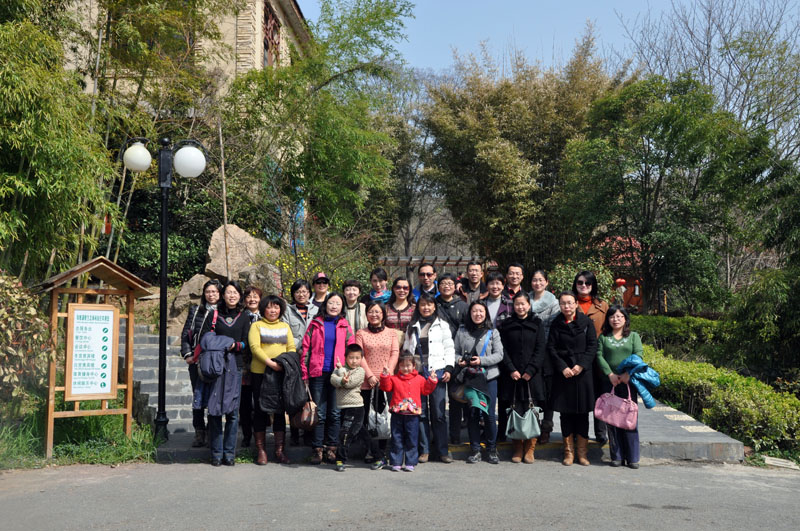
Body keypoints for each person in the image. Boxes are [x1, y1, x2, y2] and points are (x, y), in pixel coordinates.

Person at [198, 280, 250, 467]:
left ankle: (229, 453)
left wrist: (234, 345)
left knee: (232, 412)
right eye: (228, 292)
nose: (232, 295)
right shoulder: (214, 315)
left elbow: (246, 342)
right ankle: (216, 453)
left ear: (239, 296)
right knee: (214, 411)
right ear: (223, 295)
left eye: (235, 292)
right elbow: (205, 338)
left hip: (235, 367)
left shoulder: (244, 317)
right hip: (215, 367)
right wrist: (225, 343)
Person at [301, 292, 356, 464]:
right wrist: (304, 373)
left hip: (338, 375)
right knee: (319, 413)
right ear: (325, 305)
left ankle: (332, 448)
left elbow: (352, 350)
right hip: (317, 373)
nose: (334, 306)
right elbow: (306, 349)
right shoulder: (315, 324)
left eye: (338, 303)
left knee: (335, 413)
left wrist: (348, 371)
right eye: (331, 302)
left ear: (342, 307)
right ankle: (317, 449)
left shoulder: (345, 326)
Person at [403, 292, 456, 463]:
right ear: (418, 307)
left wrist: (449, 368)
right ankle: (424, 450)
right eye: (423, 305)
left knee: (439, 414)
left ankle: (442, 451)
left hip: (437, 372)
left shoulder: (442, 325)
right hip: (417, 374)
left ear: (434, 306)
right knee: (421, 413)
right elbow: (407, 349)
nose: (426, 307)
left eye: (429, 304)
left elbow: (449, 348)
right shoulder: (412, 326)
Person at [548, 291, 598, 466]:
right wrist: (562, 367)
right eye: (563, 303)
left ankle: (582, 453)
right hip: (564, 374)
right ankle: (568, 452)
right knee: (566, 414)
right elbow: (551, 348)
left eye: (570, 303)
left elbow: (592, 345)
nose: (566, 306)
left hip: (583, 373)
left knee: (583, 413)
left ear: (576, 304)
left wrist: (581, 365)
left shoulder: (586, 323)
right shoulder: (556, 323)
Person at [497, 292, 547, 463]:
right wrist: (511, 369)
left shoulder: (537, 323)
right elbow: (502, 349)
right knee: (515, 410)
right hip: (512, 376)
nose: (520, 307)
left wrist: (531, 370)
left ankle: (530, 448)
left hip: (532, 376)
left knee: (532, 410)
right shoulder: (506, 324)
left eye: (523, 304)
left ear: (529, 305)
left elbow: (541, 348)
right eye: (517, 304)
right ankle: (517, 447)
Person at [454, 300, 504, 464]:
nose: (478, 314)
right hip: (470, 378)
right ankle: (475, 449)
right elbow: (454, 352)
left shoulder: (493, 332)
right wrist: (460, 360)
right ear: (470, 313)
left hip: (488, 377)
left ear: (486, 313)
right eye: (474, 311)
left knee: (489, 414)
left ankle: (492, 449)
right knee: (473, 414)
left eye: (481, 311)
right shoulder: (462, 331)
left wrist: (481, 360)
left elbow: (499, 355)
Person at [248, 295, 295, 465]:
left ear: (281, 310)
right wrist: (271, 363)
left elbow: (291, 347)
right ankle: (261, 450)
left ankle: (279, 450)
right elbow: (255, 347)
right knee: (260, 410)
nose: (273, 310)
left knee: (279, 411)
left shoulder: (285, 326)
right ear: (263, 309)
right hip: (260, 373)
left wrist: (284, 363)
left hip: (281, 373)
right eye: (269, 307)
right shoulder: (256, 326)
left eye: (276, 307)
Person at [596, 305, 644, 469]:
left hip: (628, 382)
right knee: (613, 419)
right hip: (610, 382)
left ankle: (632, 457)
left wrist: (627, 374)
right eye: (612, 316)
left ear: (625, 319)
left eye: (619, 316)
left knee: (629, 418)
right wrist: (610, 374)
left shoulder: (633, 336)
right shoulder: (604, 337)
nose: (615, 320)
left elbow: (638, 355)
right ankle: (616, 456)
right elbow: (599, 356)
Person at [355, 301, 399, 470]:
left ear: (383, 314)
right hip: (367, 381)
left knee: (383, 417)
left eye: (377, 312)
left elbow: (394, 353)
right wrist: (370, 375)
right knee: (367, 417)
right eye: (371, 312)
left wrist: (388, 373)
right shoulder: (361, 333)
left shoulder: (391, 333)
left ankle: (382, 450)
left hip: (386, 380)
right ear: (366, 314)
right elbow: (359, 355)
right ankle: (369, 450)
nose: (374, 315)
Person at [180, 278, 222, 448]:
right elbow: (186, 334)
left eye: (214, 292)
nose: (211, 295)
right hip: (197, 360)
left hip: (215, 361)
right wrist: (187, 354)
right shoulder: (196, 310)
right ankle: (199, 432)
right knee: (198, 396)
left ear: (220, 294)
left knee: (213, 397)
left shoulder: (224, 312)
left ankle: (212, 432)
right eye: (208, 292)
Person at [379, 354, 438, 471]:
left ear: (414, 366)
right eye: (402, 366)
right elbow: (386, 387)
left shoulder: (420, 379)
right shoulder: (394, 379)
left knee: (412, 439)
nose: (405, 368)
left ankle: (410, 462)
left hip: (412, 415)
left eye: (408, 365)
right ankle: (396, 462)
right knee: (396, 438)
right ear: (398, 367)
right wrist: (385, 376)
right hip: (397, 414)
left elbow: (426, 390)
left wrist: (432, 380)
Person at [572, 270, 610, 445]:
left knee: (600, 394)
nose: (584, 286)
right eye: (580, 282)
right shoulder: (570, 303)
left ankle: (601, 431)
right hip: (577, 357)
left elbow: (610, 329)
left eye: (588, 283)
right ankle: (579, 433)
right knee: (579, 394)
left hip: (598, 356)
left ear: (593, 285)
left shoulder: (602, 305)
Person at [282, 279, 319, 446]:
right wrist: (299, 347)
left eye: (304, 291)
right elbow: (286, 333)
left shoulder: (317, 310)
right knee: (294, 394)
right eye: (298, 292)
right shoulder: (287, 311)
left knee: (311, 395)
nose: (301, 294)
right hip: (295, 357)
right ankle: (295, 432)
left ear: (309, 293)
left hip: (313, 358)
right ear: (293, 294)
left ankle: (309, 430)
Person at [435, 273, 468, 445]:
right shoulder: (433, 304)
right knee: (438, 401)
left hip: (456, 357)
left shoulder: (462, 305)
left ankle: (455, 435)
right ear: (438, 286)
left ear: (455, 286)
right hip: (437, 357)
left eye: (450, 283)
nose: (446, 286)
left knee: (456, 398)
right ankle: (437, 437)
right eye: (443, 283)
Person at [529, 269, 560, 444]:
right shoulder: (525, 300)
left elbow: (553, 327)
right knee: (532, 392)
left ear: (546, 282)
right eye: (535, 280)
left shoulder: (554, 303)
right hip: (530, 352)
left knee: (547, 393)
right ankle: (532, 427)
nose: (538, 283)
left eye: (541, 280)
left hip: (547, 353)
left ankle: (546, 427)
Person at [485, 270, 513, 441]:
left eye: (498, 283)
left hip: (506, 354)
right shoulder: (481, 304)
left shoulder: (510, 304)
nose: (495, 286)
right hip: (486, 355)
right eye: (491, 283)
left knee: (504, 396)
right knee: (486, 396)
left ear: (503, 286)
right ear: (487, 285)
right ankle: (487, 431)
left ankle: (502, 431)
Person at [330, 344, 366, 471]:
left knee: (345, 433)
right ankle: (378, 456)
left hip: (355, 407)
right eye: (351, 357)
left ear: (361, 359)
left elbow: (349, 383)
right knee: (363, 434)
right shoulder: (340, 368)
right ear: (345, 357)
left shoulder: (360, 371)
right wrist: (341, 378)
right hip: (343, 407)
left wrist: (341, 375)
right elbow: (333, 380)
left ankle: (340, 459)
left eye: (357, 358)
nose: (354, 361)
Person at [240, 286, 263, 448]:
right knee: (245, 403)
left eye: (255, 296)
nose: (252, 299)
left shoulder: (266, 316)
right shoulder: (240, 316)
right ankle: (247, 435)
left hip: (262, 364)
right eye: (249, 296)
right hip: (244, 365)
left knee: (261, 402)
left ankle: (260, 436)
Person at [385, 277, 416, 345]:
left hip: (410, 346)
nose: (402, 290)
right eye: (398, 287)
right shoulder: (386, 308)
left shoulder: (415, 309)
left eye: (405, 288)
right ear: (393, 289)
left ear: (409, 290)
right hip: (389, 345)